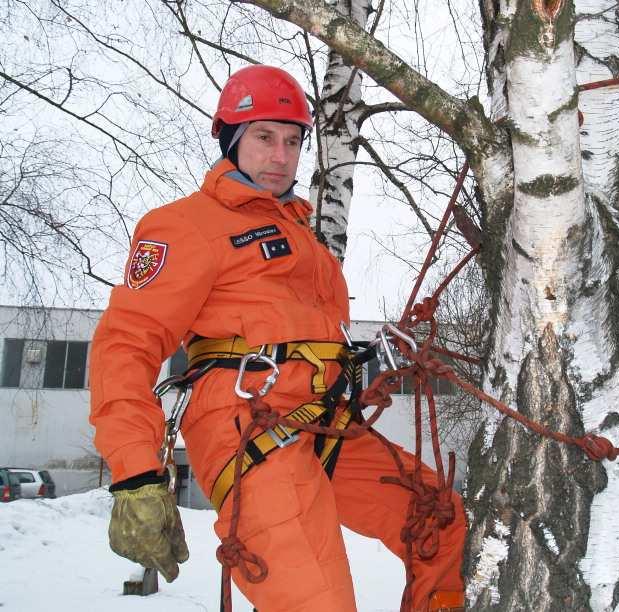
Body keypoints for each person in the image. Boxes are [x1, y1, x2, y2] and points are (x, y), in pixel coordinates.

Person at [89, 65, 466, 612]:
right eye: (264, 137)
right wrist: (135, 472)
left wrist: (361, 368)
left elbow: (305, 340)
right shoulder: (186, 224)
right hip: (250, 430)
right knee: (319, 603)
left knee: (438, 516)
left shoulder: (304, 240)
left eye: (292, 141)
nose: (281, 155)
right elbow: (126, 344)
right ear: (231, 141)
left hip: (325, 423)